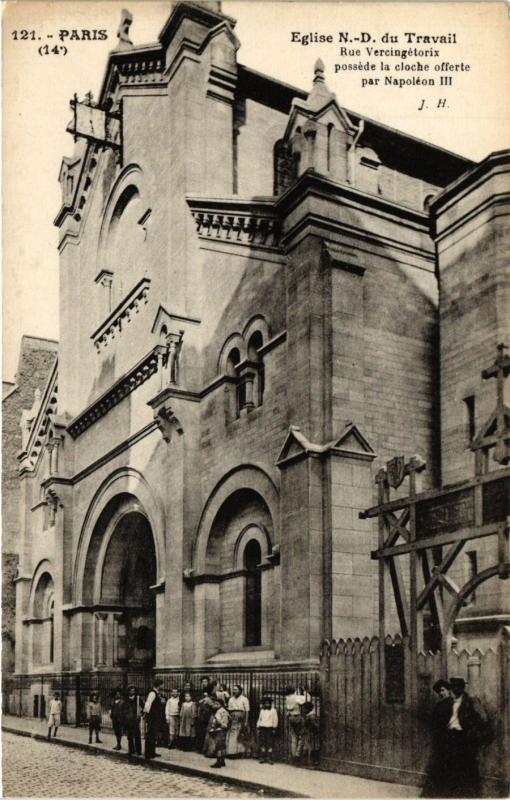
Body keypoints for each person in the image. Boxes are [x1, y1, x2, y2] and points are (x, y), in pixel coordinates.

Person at [443, 676, 491, 798]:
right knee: (452, 768)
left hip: (464, 738)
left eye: (456, 688)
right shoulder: (450, 702)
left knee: (467, 768)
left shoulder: (471, 701)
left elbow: (484, 719)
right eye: (452, 687)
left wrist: (471, 732)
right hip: (451, 737)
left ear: (461, 688)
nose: (453, 690)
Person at [421, 679, 453, 798]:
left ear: (449, 690)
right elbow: (433, 721)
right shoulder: (439, 705)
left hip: (451, 738)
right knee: (439, 764)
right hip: (440, 738)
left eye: (443, 690)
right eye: (439, 691)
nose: (441, 693)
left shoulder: (454, 704)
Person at [226, 684, 250, 757]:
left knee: (240, 735)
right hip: (233, 719)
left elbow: (247, 711)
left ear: (240, 691)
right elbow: (229, 710)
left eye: (236, 690)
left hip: (241, 719)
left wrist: (246, 721)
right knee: (232, 735)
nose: (234, 691)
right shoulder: (231, 699)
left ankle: (240, 752)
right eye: (233, 690)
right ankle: (231, 752)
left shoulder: (244, 699)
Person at [143, 678, 164, 760]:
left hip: (156, 717)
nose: (162, 686)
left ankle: (152, 751)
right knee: (150, 734)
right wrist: (146, 714)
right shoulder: (152, 693)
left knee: (153, 734)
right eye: (162, 684)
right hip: (152, 717)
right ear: (159, 685)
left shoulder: (157, 693)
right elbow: (148, 704)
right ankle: (148, 753)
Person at [209, 696, 231, 768]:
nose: (214, 705)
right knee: (223, 746)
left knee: (218, 746)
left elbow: (217, 720)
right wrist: (226, 725)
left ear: (220, 704)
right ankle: (223, 761)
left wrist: (214, 727)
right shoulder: (225, 711)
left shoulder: (218, 711)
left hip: (219, 729)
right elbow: (230, 718)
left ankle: (218, 762)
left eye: (216, 704)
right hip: (224, 730)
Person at [256, 696, 278, 764]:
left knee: (270, 743)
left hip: (270, 728)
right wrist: (258, 727)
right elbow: (260, 719)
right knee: (262, 742)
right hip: (262, 728)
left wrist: (274, 727)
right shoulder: (262, 710)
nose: (267, 704)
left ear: (270, 704)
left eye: (268, 703)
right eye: (265, 703)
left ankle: (269, 757)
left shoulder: (273, 710)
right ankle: (262, 757)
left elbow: (275, 719)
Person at [285, 686, 304, 761]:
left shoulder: (287, 698)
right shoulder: (296, 697)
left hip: (290, 717)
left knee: (293, 736)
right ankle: (297, 754)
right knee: (301, 736)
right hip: (297, 717)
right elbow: (303, 701)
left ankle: (293, 754)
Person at [124, 685, 142, 756]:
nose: (132, 692)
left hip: (135, 719)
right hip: (128, 719)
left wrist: (141, 713)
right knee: (130, 735)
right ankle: (131, 750)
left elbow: (143, 707)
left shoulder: (138, 699)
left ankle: (138, 750)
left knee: (137, 735)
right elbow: (124, 709)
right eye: (131, 690)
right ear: (128, 691)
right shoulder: (126, 700)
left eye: (133, 690)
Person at [301, 701, 320, 766]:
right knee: (310, 747)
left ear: (308, 709)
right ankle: (309, 761)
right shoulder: (311, 715)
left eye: (304, 708)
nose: (303, 710)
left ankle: (309, 762)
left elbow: (314, 724)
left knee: (309, 747)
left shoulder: (310, 716)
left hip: (310, 733)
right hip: (310, 733)